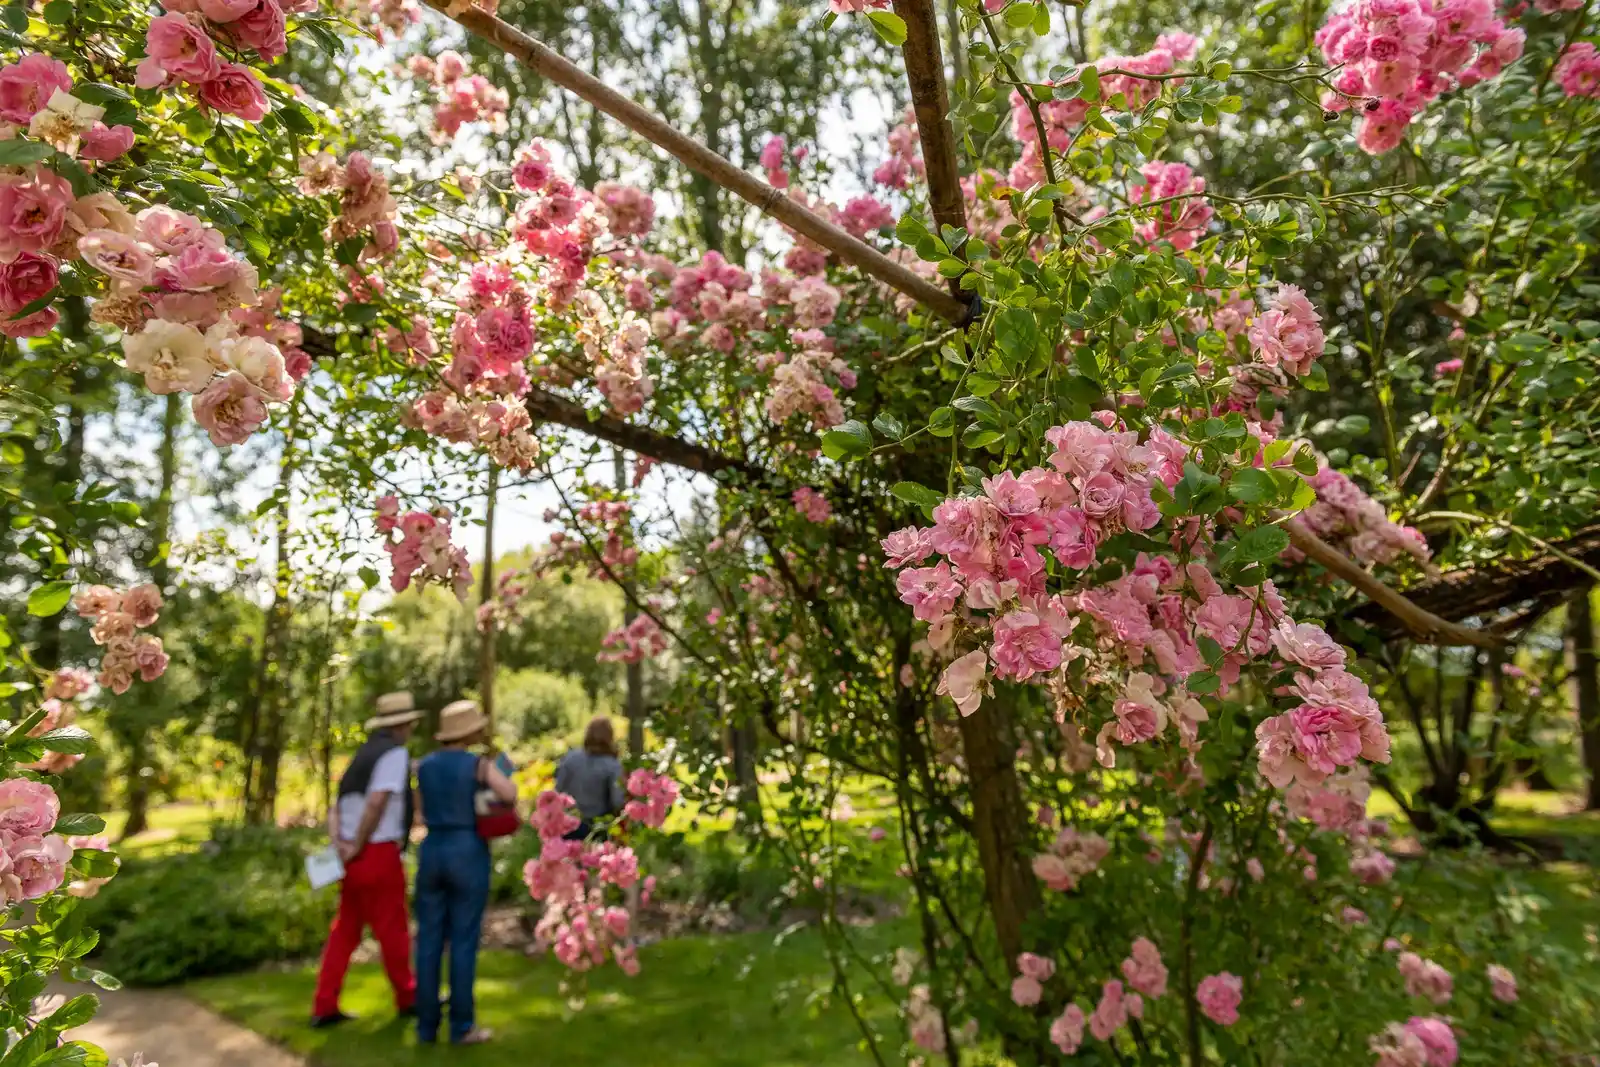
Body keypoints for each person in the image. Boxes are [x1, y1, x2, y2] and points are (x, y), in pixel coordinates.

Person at [311, 691, 420, 1028]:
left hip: (351, 854)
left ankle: (324, 1004)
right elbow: (376, 803)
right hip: (375, 851)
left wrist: (340, 845)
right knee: (393, 929)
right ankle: (408, 998)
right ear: (403, 724)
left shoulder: (361, 757)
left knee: (345, 931)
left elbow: (336, 807)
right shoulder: (394, 754)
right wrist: (357, 844)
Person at [414, 699, 517, 1045]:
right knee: (463, 940)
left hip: (431, 849)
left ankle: (426, 1027)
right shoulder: (478, 765)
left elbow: (419, 812)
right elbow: (510, 793)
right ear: (470, 732)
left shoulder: (424, 766)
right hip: (466, 849)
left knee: (428, 941)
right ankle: (462, 1026)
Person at [554, 716, 625, 841]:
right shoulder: (612, 765)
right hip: (595, 828)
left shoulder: (570, 758)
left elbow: (558, 789)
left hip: (567, 825)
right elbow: (617, 800)